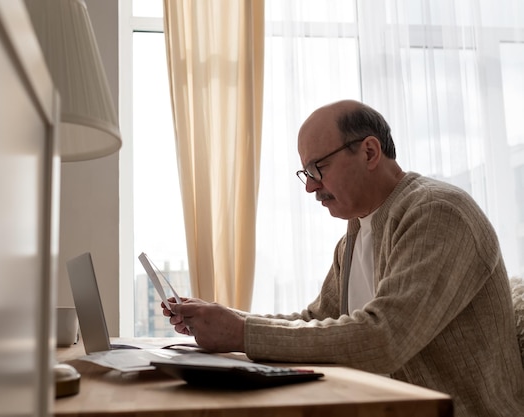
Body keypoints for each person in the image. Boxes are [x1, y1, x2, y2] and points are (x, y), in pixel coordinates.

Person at [162, 100, 524, 417]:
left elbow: (385, 338)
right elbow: (318, 320)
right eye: (307, 172)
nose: (310, 186)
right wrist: (225, 319)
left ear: (369, 152)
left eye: (318, 167)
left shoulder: (438, 213)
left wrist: (240, 333)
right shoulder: (355, 233)